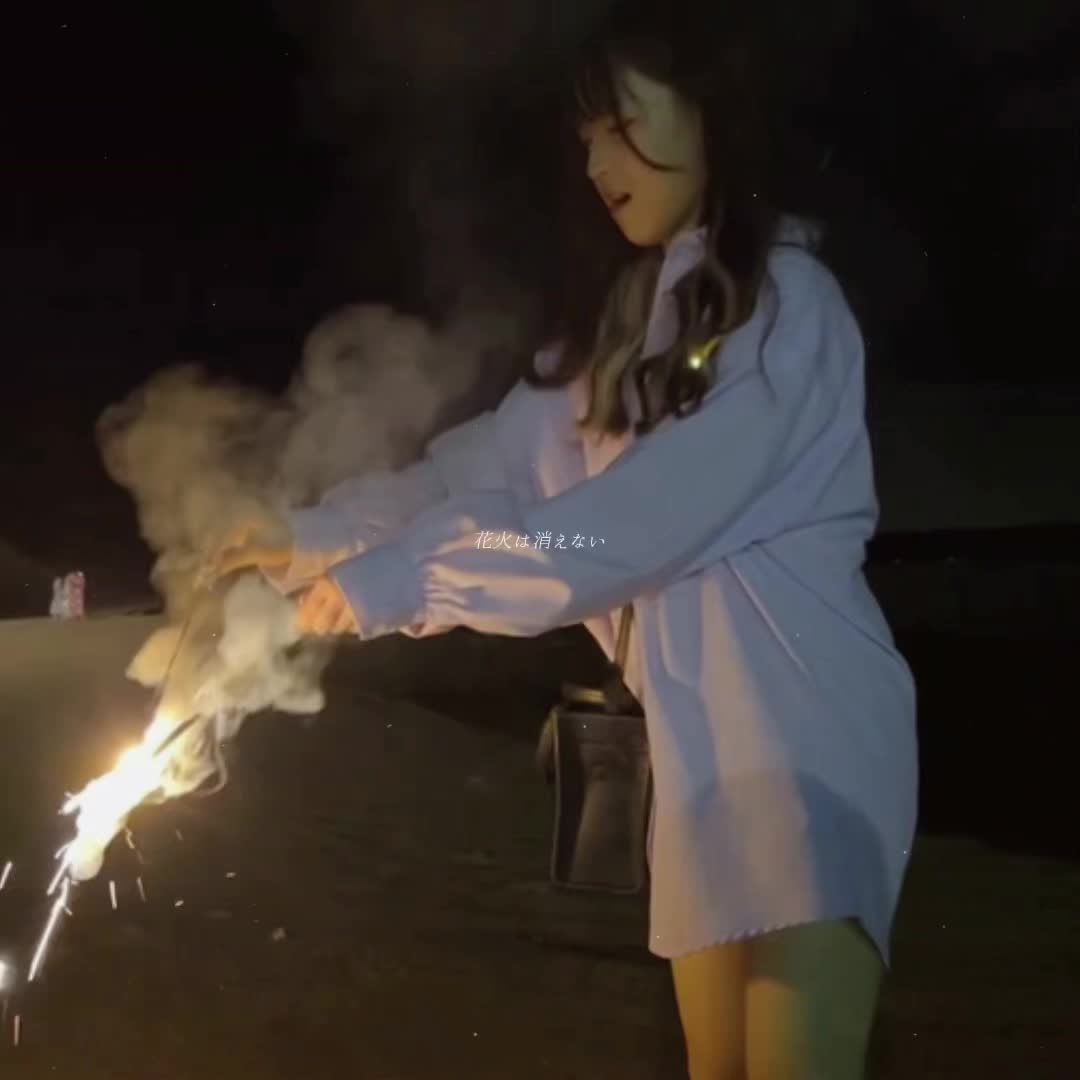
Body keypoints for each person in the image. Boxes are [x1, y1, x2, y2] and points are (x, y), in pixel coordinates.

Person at [215, 2, 918, 1076]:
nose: (595, 162)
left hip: (806, 745)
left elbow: (620, 534)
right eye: (586, 136)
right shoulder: (623, 336)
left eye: (620, 124)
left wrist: (401, 580)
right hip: (701, 767)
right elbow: (475, 472)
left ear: (708, 111)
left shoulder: (787, 308)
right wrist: (311, 536)